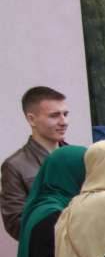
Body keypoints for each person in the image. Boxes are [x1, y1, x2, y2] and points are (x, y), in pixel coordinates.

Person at [2, 86, 69, 239]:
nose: (63, 121)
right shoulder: (14, 165)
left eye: (65, 114)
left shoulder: (80, 157)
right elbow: (15, 224)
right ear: (31, 119)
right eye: (54, 115)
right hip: (48, 255)